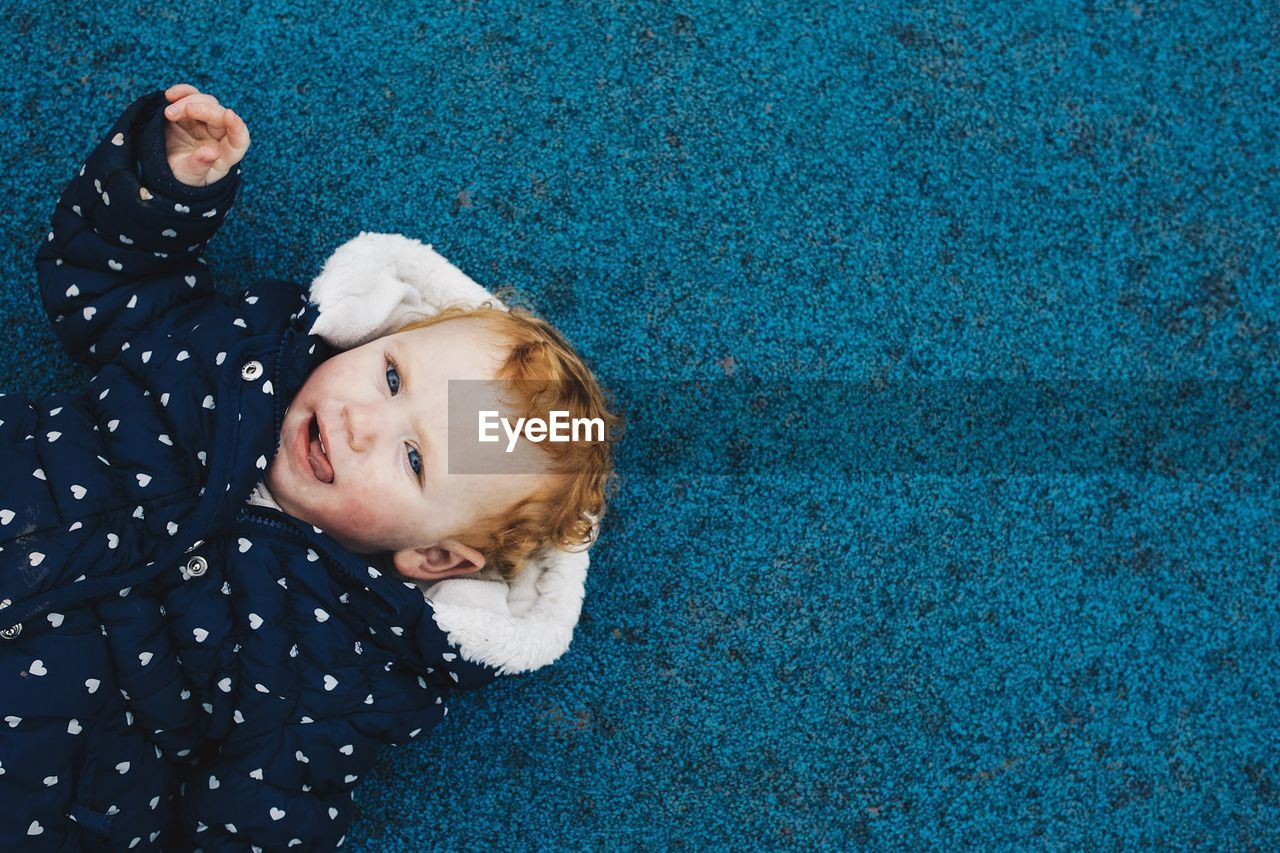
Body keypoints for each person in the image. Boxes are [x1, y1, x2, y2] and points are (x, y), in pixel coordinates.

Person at [0, 83, 620, 850]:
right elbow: (104, 282)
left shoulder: (348, 670)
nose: (363, 420)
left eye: (415, 457)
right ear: (373, 335)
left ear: (431, 556)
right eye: (392, 378)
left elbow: (260, 813)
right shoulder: (233, 354)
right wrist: (167, 185)